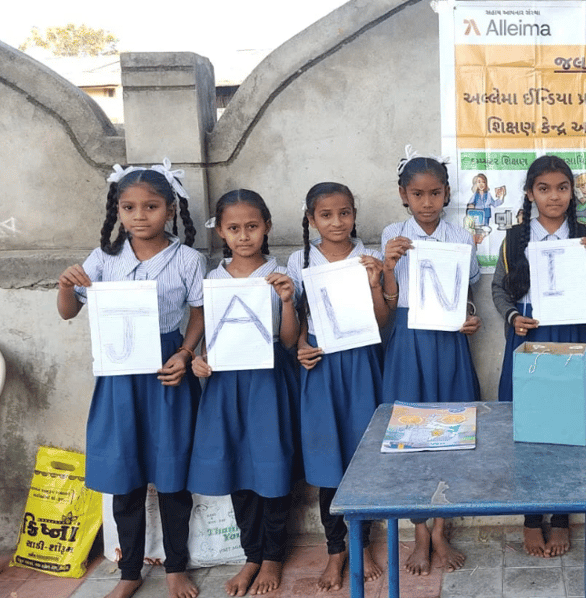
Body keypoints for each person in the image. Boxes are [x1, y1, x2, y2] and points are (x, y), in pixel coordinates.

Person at [57, 160, 204, 598]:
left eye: (152, 206)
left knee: (173, 476)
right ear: (117, 211)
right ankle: (130, 571)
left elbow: (198, 311)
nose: (140, 215)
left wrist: (184, 353)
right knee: (127, 478)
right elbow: (70, 310)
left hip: (166, 374)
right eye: (129, 207)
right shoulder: (103, 260)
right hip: (120, 378)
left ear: (171, 209)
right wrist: (66, 286)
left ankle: (177, 566)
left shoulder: (187, 260)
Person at [491, 154, 586, 558]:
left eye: (562, 187)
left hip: (572, 337)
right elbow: (499, 291)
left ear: (572, 192)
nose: (554, 196)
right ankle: (530, 518)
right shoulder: (515, 239)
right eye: (544, 189)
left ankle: (560, 518)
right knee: (528, 428)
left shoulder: (583, 235)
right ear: (529, 194)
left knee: (567, 426)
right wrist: (511, 317)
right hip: (529, 338)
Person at [186, 189, 299, 596]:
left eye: (252, 226)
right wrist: (199, 361)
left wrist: (287, 300)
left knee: (271, 464)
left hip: (268, 381)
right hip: (226, 385)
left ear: (266, 226)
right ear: (221, 232)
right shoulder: (212, 281)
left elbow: (288, 341)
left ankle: (273, 556)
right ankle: (251, 554)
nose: (244, 235)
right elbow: (209, 340)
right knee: (237, 466)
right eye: (234, 228)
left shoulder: (281, 274)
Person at [380, 147, 479, 576]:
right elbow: (389, 299)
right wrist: (388, 265)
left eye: (435, 193)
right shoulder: (392, 235)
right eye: (417, 194)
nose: (426, 203)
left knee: (451, 429)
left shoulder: (461, 238)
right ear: (404, 194)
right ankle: (418, 529)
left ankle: (441, 528)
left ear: (447, 194)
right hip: (408, 340)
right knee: (409, 431)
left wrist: (469, 318)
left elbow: (465, 296)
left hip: (448, 343)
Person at [287, 182, 389, 590]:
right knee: (328, 463)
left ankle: (361, 544)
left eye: (344, 213)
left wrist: (375, 283)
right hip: (320, 367)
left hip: (361, 364)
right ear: (311, 220)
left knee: (361, 456)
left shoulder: (369, 257)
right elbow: (292, 319)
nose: (336, 222)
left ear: (354, 215)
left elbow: (382, 322)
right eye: (326, 215)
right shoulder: (300, 260)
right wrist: (299, 345)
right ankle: (336, 550)